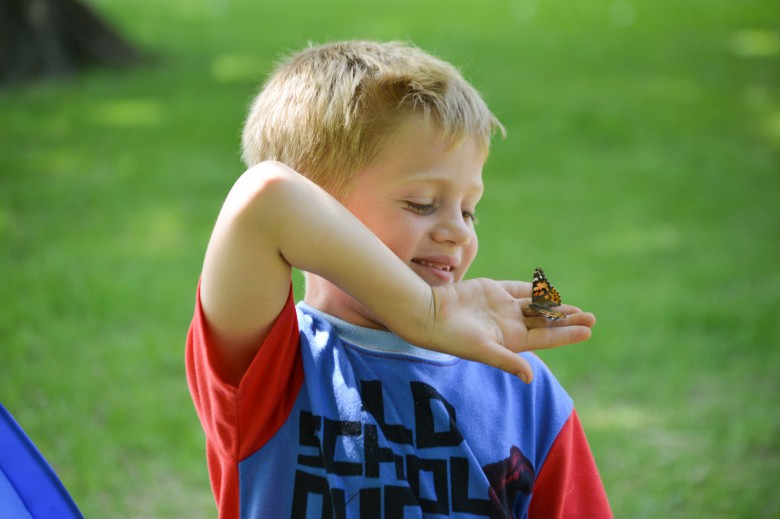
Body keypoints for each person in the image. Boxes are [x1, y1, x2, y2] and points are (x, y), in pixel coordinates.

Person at [186, 40, 612, 518]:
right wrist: (424, 314)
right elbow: (266, 197)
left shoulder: (520, 382)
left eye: (469, 210)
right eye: (422, 203)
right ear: (319, 207)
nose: (458, 232)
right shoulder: (269, 366)